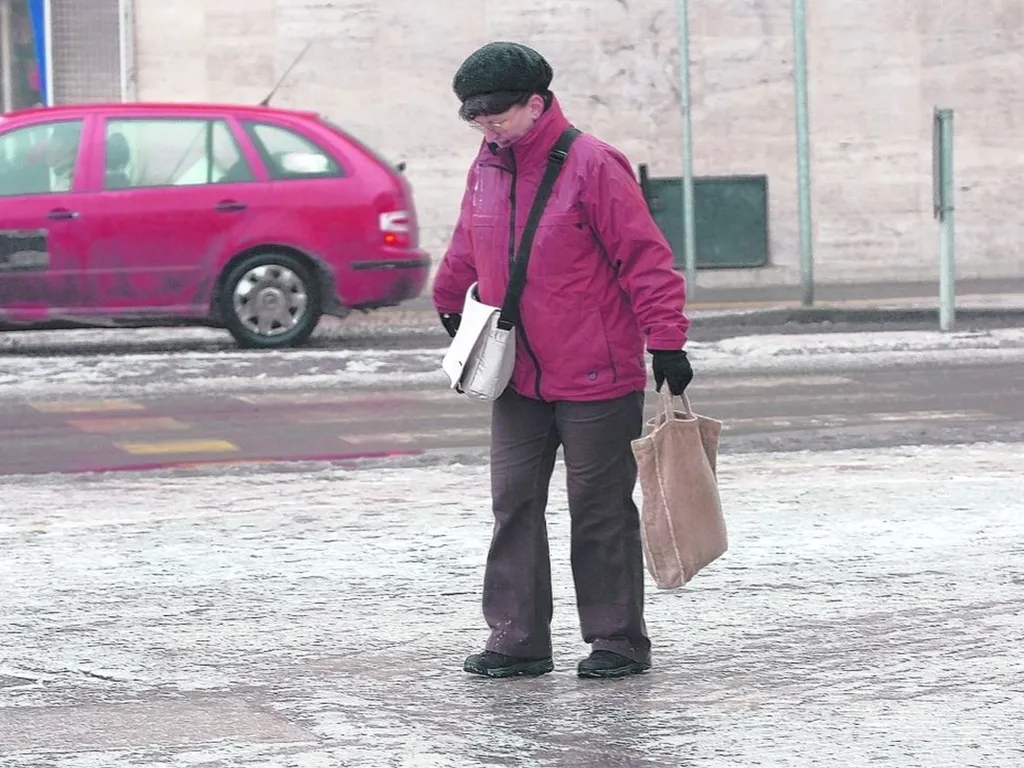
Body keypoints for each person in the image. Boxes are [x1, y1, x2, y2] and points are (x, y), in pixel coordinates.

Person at [433, 41, 694, 680]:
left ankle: (617, 640)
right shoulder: (486, 165)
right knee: (513, 501)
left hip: (596, 370)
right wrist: (449, 296)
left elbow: (645, 256)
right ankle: (517, 639)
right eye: (475, 116)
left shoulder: (594, 164)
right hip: (516, 368)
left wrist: (666, 339)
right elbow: (472, 237)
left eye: (497, 114)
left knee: (599, 506)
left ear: (536, 102)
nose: (486, 126)